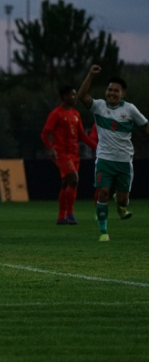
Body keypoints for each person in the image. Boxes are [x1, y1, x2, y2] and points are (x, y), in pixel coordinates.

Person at [77, 64, 149, 241]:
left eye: (116, 91)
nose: (112, 93)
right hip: (104, 159)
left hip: (124, 161)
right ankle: (104, 232)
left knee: (124, 200)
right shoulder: (99, 106)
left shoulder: (130, 109)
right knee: (103, 192)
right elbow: (82, 96)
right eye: (109, 90)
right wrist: (90, 75)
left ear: (122, 94)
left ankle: (120, 204)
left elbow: (146, 125)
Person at [41, 85, 97, 225]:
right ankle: (70, 214)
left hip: (74, 153)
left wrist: (97, 148)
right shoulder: (56, 114)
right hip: (62, 153)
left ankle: (61, 217)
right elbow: (45, 133)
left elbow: (82, 135)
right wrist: (50, 148)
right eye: (72, 94)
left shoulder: (76, 114)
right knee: (74, 179)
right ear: (64, 97)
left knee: (66, 183)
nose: (75, 97)